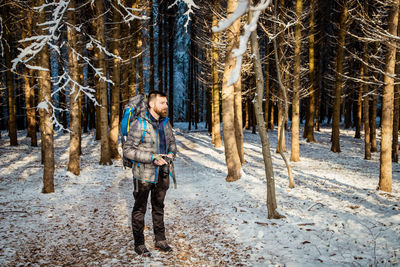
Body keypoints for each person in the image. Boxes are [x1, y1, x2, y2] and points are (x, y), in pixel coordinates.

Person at [123, 91, 177, 257]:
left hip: (162, 173)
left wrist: (171, 154)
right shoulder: (139, 124)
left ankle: (160, 240)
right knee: (140, 209)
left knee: (159, 207)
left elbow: (173, 144)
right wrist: (151, 158)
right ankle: (139, 243)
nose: (166, 106)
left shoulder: (165, 123)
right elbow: (128, 150)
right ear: (152, 104)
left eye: (166, 102)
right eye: (162, 103)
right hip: (143, 175)